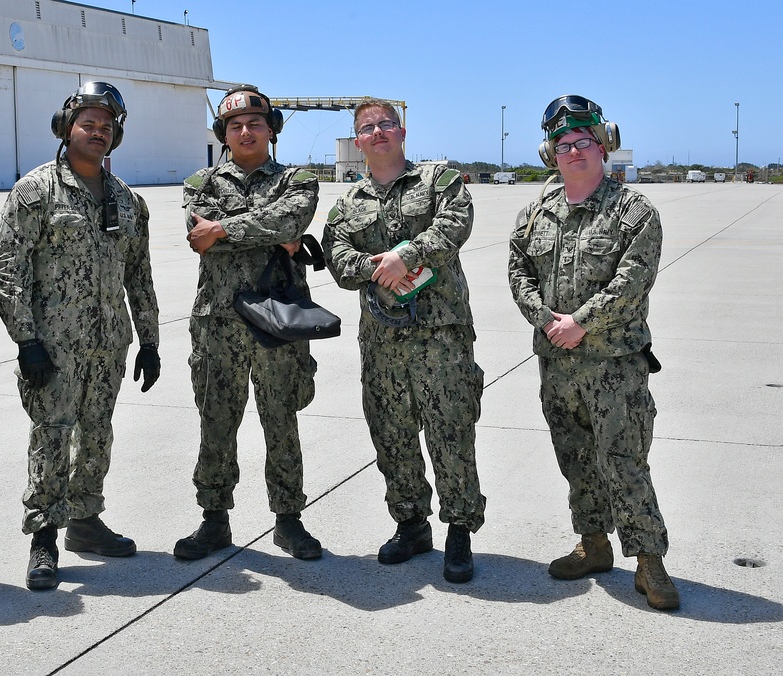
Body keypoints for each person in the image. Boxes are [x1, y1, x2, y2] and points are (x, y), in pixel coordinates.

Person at [507, 94, 679, 610]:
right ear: (549, 153)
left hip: (613, 364)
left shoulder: (634, 212)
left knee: (625, 459)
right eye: (563, 144)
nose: (574, 151)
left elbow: (633, 281)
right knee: (575, 458)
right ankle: (594, 544)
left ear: (604, 146)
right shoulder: (535, 213)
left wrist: (580, 323)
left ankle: (650, 563)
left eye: (584, 141)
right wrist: (546, 320)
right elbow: (518, 273)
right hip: (556, 363)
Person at [0, 82, 160, 590]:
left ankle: (84, 521)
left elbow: (140, 274)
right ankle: (44, 535)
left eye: (107, 126)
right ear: (66, 129)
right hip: (53, 347)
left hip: (109, 345)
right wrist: (26, 341)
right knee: (52, 436)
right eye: (88, 123)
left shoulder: (128, 201)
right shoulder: (35, 191)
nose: (98, 132)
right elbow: (5, 270)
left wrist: (149, 340)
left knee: (97, 435)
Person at [322, 98, 485, 583]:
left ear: (402, 131)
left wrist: (407, 254)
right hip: (382, 341)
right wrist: (378, 269)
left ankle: (459, 528)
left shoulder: (439, 180)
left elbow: (455, 223)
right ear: (358, 142)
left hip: (441, 336)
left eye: (385, 125)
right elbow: (337, 256)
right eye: (368, 128)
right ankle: (410, 523)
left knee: (451, 431)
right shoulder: (348, 204)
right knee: (391, 434)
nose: (378, 133)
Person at [175, 85, 322, 561]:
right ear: (223, 134)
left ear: (271, 129)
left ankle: (288, 519)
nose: (245, 131)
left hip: (278, 323)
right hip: (218, 323)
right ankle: (213, 519)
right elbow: (202, 239)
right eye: (235, 126)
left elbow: (290, 221)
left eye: (254, 123)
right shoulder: (201, 183)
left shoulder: (297, 180)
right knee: (216, 421)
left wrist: (225, 228)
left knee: (281, 420)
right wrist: (265, 230)